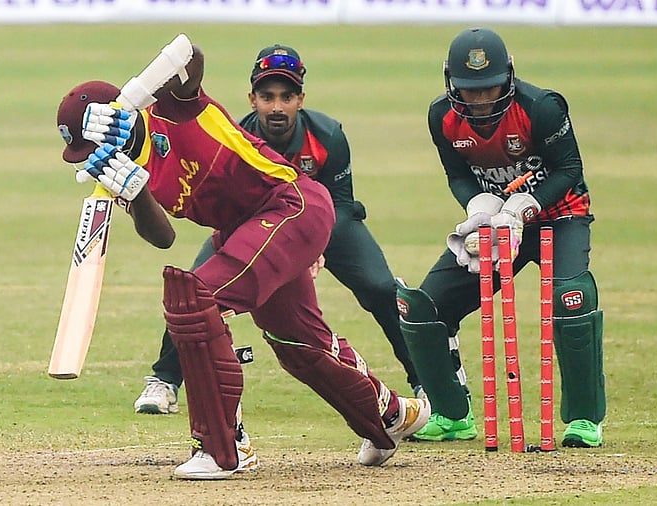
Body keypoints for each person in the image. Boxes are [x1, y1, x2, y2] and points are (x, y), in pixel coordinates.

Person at [54, 34, 429, 480]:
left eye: (91, 143)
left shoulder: (172, 106)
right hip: (244, 233)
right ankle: (390, 415)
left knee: (195, 299)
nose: (95, 155)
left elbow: (190, 54)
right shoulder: (126, 172)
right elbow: (163, 237)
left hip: (290, 204)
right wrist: (133, 192)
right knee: (297, 345)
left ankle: (225, 445)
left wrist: (133, 97)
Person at [132, 44, 421, 416]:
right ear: (252, 99)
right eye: (267, 97)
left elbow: (342, 203)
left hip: (326, 219)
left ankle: (420, 378)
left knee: (381, 287)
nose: (276, 107)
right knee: (197, 287)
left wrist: (312, 244)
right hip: (251, 221)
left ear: (301, 99)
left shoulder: (328, 135)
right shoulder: (235, 133)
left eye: (286, 97)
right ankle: (165, 379)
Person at [397, 27, 606, 447]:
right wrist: (478, 205)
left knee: (572, 298)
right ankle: (453, 415)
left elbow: (569, 170)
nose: (479, 101)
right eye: (469, 91)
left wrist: (523, 206)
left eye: (489, 89)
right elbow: (457, 173)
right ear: (450, 82)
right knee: (424, 307)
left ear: (508, 77)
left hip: (559, 215)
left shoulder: (542, 108)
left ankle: (584, 419)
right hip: (496, 224)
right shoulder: (442, 116)